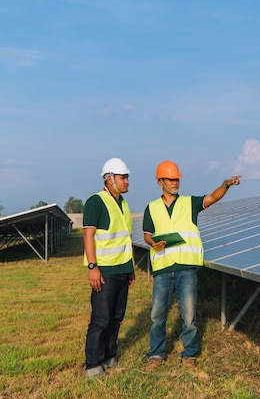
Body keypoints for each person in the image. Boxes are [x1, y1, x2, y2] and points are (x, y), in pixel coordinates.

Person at [143, 160, 241, 371]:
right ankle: (156, 355)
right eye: (171, 179)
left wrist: (225, 185)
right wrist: (153, 243)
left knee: (189, 315)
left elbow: (212, 198)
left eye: (177, 179)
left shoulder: (190, 203)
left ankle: (189, 354)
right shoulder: (151, 208)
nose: (175, 182)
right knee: (157, 316)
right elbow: (147, 235)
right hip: (163, 268)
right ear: (160, 182)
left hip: (186, 267)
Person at [83, 157, 135, 378]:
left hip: (122, 270)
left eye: (127, 178)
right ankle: (93, 365)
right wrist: (92, 267)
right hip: (105, 272)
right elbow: (88, 235)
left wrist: (130, 268)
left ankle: (109, 355)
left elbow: (124, 239)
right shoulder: (96, 202)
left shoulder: (122, 203)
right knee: (101, 319)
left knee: (116, 317)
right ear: (109, 179)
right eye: (123, 177)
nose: (126, 182)